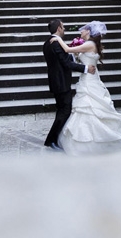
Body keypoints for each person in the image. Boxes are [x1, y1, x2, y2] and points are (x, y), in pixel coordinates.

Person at [51, 21, 121, 155]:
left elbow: (68, 50)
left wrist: (57, 39)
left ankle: (91, 142)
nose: (81, 31)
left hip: (89, 80)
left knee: (89, 106)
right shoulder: (90, 44)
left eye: (83, 30)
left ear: (88, 32)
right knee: (90, 107)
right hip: (90, 77)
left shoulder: (89, 44)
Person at [43, 18, 96, 151]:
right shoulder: (55, 43)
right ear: (59, 29)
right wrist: (85, 68)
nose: (65, 29)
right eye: (63, 26)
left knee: (62, 109)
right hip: (61, 82)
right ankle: (51, 140)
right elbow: (66, 64)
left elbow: (63, 60)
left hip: (57, 81)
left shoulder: (46, 43)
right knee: (64, 111)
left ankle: (56, 137)